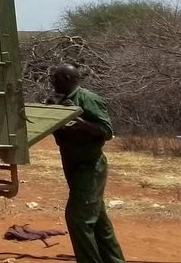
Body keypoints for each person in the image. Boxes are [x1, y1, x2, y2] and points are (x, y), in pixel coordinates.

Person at [47, 63, 126, 263]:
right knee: (98, 221)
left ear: (67, 79)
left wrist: (80, 123)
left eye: (55, 78)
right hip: (73, 165)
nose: (52, 82)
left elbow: (107, 131)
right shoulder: (64, 100)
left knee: (78, 219)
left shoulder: (88, 99)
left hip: (90, 166)